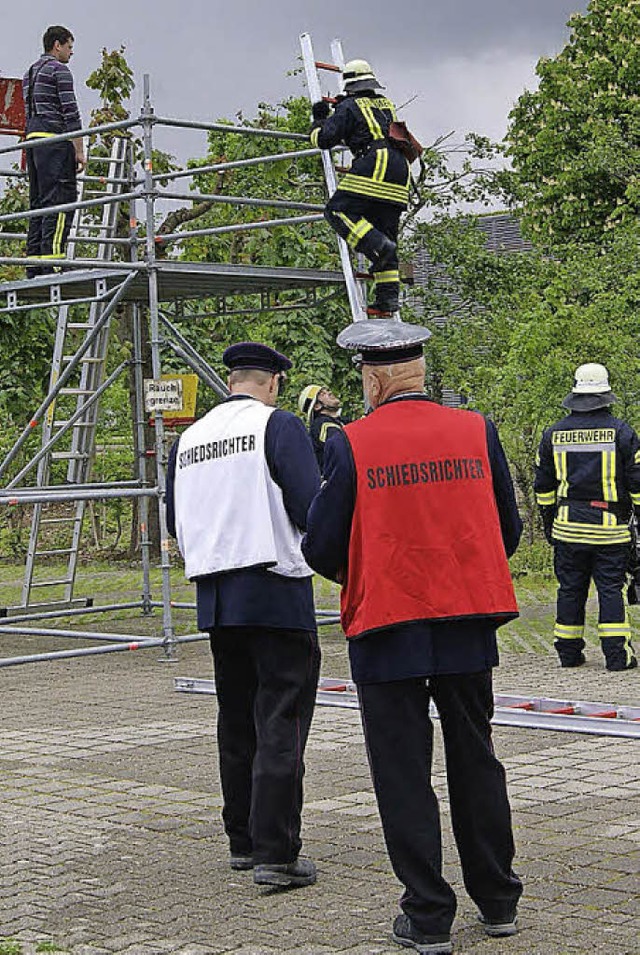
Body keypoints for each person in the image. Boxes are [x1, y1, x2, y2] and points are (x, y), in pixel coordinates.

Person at [302, 318, 523, 955]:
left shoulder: (351, 442)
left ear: (371, 379)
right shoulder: (477, 430)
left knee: (403, 772)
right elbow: (504, 527)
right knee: (476, 758)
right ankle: (499, 898)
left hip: (387, 621)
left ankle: (427, 916)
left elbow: (321, 543)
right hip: (465, 617)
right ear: (421, 373)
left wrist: (366, 568)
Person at [166, 342, 321, 889]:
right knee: (281, 718)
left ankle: (243, 840)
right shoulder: (277, 428)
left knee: (235, 719)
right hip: (276, 588)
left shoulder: (188, 439)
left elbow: (173, 518)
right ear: (274, 382)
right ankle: (276, 853)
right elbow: (311, 507)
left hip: (215, 594)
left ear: (232, 380)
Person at [534, 362, 640, 671]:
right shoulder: (622, 432)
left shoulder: (553, 434)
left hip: (567, 528)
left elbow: (543, 487)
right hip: (610, 530)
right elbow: (637, 485)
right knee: (611, 589)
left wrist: (549, 522)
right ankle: (618, 657)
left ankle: (568, 653)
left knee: (570, 589)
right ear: (605, 395)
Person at [310, 59, 411, 317]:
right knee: (387, 234)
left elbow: (323, 140)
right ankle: (387, 302)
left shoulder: (349, 107)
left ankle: (378, 244)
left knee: (337, 212)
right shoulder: (386, 105)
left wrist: (319, 118)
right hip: (399, 174)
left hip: (374, 167)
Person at [22, 25, 86, 278]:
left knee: (39, 201)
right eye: (69, 47)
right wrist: (79, 149)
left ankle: (34, 261)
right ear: (57, 45)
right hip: (55, 138)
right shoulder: (60, 70)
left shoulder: (29, 73)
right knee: (61, 198)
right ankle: (54, 260)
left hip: (33, 140)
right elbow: (71, 111)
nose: (71, 53)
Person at [298, 383, 346, 472]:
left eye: (327, 391)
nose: (330, 393)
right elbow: (343, 443)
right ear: (317, 406)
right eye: (323, 394)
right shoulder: (321, 424)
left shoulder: (340, 421)